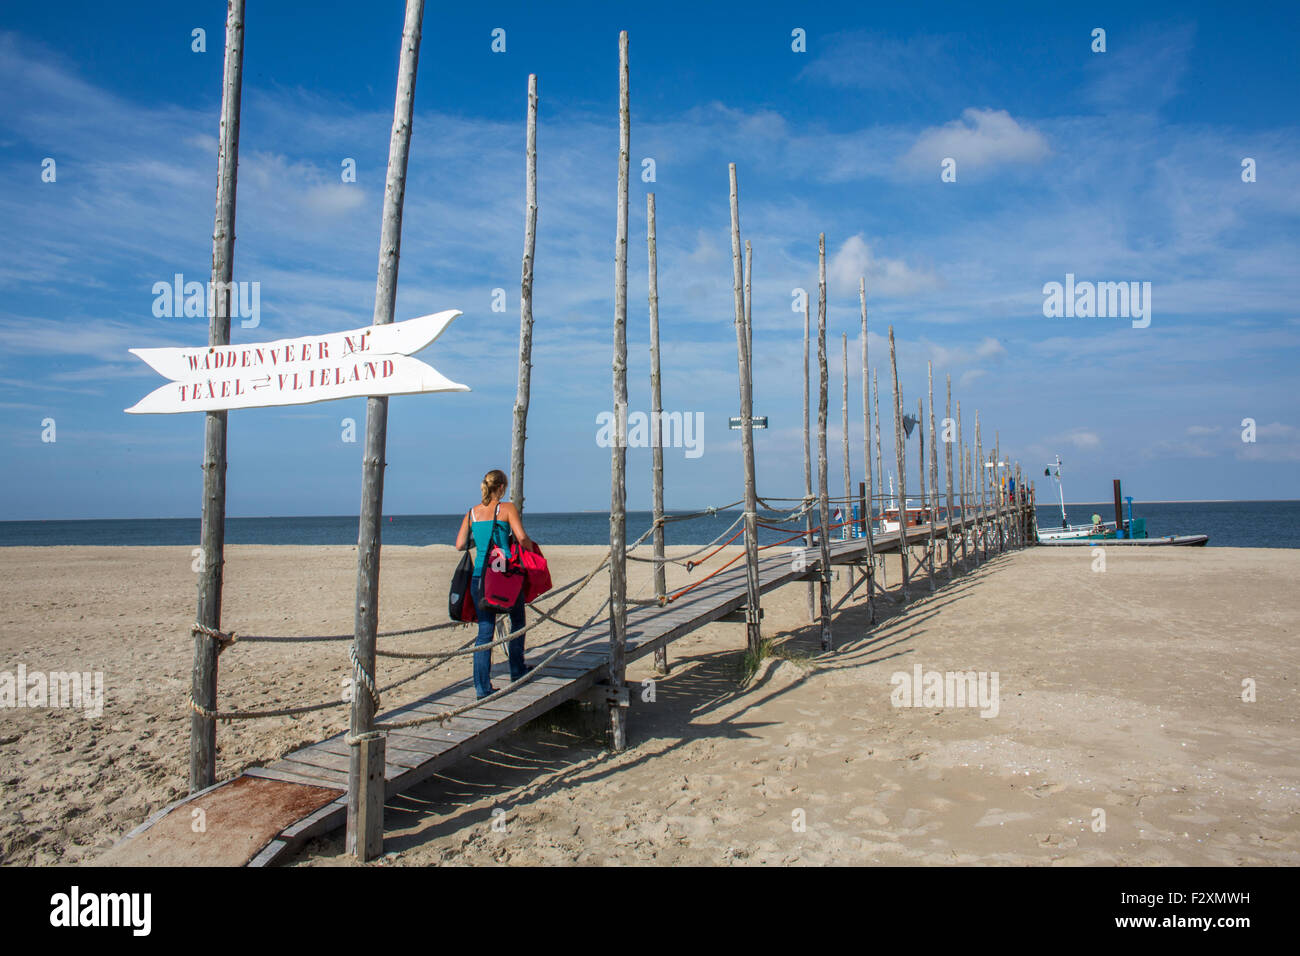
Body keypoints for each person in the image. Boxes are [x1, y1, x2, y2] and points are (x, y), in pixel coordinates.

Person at [455, 469, 538, 699]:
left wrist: (480, 540)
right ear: (501, 487)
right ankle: (516, 669)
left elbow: (460, 544)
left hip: (479, 577)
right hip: (503, 576)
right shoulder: (507, 508)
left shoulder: (472, 513)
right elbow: (521, 537)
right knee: (518, 620)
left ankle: (482, 688)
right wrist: (532, 551)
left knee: (485, 632)